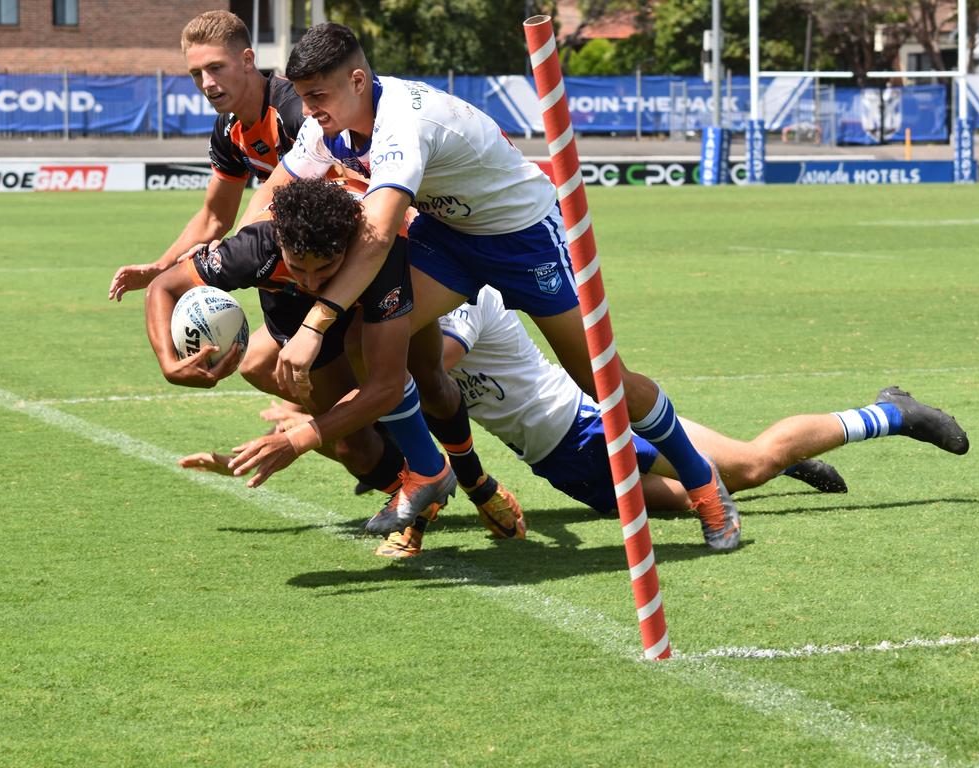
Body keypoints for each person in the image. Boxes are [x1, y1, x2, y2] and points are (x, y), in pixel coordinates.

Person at [227, 22, 742, 552]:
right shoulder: (326, 123)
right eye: (303, 97)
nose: (306, 109)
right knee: (370, 342)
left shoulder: (403, 123)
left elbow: (379, 234)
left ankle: (703, 482)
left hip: (524, 237)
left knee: (602, 383)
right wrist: (236, 254)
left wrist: (316, 322)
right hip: (449, 239)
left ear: (358, 81)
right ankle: (427, 472)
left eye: (317, 96)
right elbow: (275, 189)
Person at [231, 286, 967, 557]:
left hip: (584, 429)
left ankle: (889, 411)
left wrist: (314, 419)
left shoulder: (463, 302)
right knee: (684, 503)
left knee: (742, 468)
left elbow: (417, 387)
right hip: (560, 456)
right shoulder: (419, 304)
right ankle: (750, 463)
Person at [145, 177, 472, 533]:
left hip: (380, 292)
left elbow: (388, 387)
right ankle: (418, 502)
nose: (312, 283)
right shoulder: (255, 249)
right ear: (280, 242)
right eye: (298, 267)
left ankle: (479, 483)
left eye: (325, 268)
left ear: (347, 249)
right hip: (292, 315)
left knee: (429, 384)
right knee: (352, 446)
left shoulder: (379, 249)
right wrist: (169, 363)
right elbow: (164, 287)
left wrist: (296, 440)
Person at [108, 9, 311, 392]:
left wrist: (243, 239)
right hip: (284, 267)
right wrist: (160, 268)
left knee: (372, 389)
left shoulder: (294, 111)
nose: (206, 83)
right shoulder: (229, 128)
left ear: (248, 60)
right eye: (196, 73)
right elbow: (214, 217)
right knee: (258, 367)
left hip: (335, 260)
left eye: (216, 68)